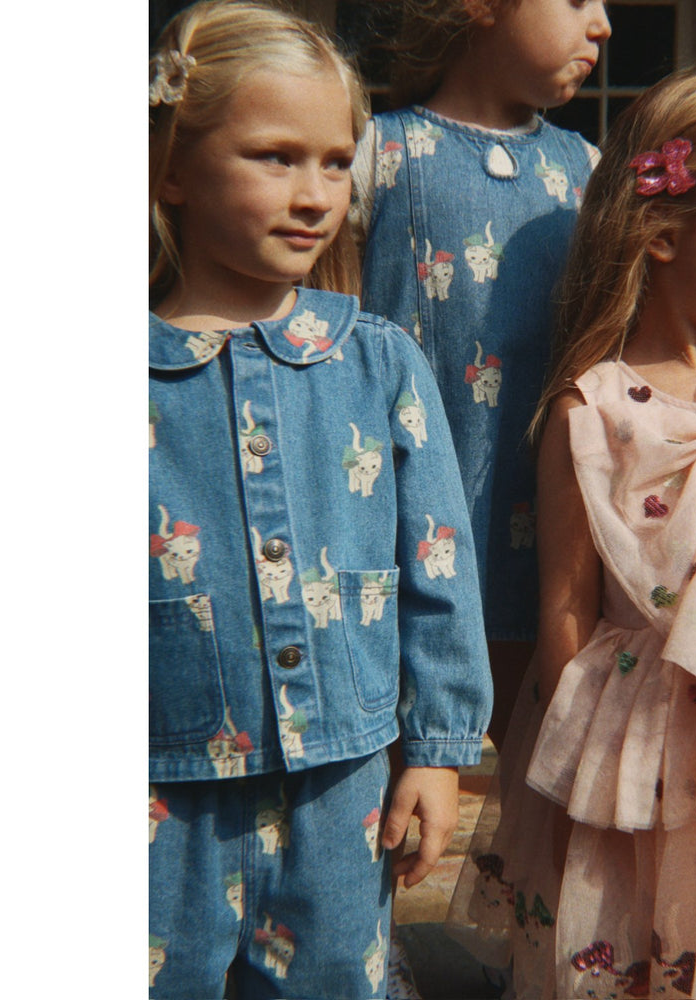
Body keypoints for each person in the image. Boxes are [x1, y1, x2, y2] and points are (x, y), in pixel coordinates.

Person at [447, 63, 696, 999]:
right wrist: (575, 790)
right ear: (662, 231)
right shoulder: (594, 411)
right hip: (641, 762)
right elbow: (566, 612)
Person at [148, 3, 492, 997]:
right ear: (172, 168)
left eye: (336, 163)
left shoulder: (379, 362)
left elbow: (438, 565)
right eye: (275, 157)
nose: (314, 194)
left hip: (342, 794)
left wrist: (437, 752)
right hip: (161, 799)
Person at [351, 0, 612, 753]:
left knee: (540, 748)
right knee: (406, 750)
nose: (602, 25)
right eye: (577, 0)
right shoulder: (375, 154)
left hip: (545, 522)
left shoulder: (585, 170)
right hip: (409, 514)